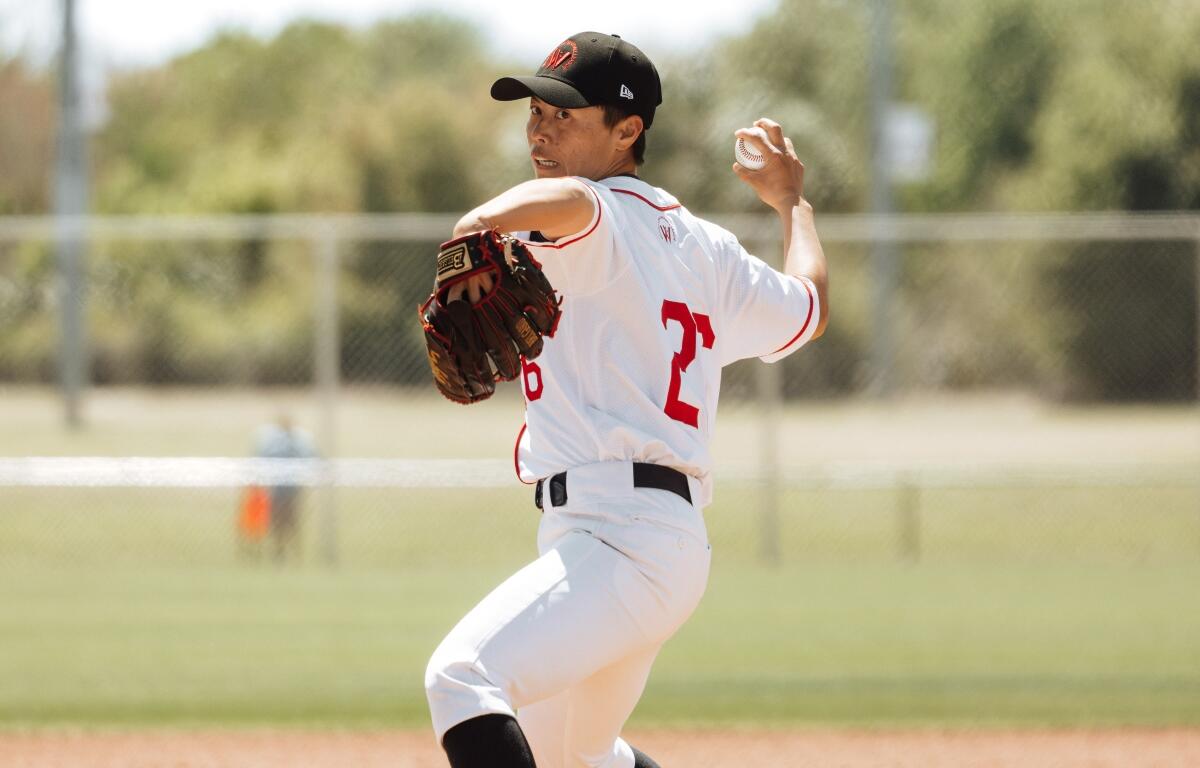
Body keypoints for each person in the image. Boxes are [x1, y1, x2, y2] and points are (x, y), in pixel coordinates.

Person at [424, 31, 828, 768]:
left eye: (565, 114)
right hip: (646, 541)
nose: (541, 129)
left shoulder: (593, 213)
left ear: (627, 130)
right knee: (579, 757)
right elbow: (810, 305)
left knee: (462, 677)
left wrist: (475, 224)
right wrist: (792, 203)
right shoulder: (710, 251)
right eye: (536, 111)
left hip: (618, 534)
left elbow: (576, 202)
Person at [253, 413, 316, 563]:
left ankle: (296, 555)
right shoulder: (272, 442)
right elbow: (261, 459)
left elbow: (313, 457)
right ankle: (278, 553)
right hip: (276, 491)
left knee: (293, 523)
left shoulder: (300, 441)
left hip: (293, 491)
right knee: (277, 524)